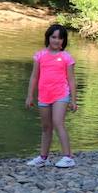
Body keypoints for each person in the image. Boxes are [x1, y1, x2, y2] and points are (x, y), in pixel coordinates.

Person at [24, 24, 78, 168]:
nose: (56, 40)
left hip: (61, 94)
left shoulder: (66, 57)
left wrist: (73, 100)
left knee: (57, 122)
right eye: (54, 37)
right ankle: (43, 157)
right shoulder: (40, 56)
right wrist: (30, 95)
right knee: (46, 127)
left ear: (63, 41)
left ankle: (68, 157)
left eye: (60, 38)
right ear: (48, 37)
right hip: (44, 96)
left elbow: (72, 79)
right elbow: (34, 77)